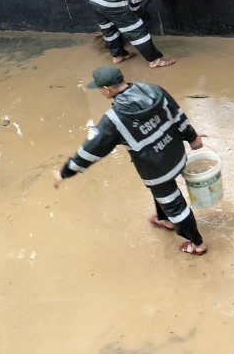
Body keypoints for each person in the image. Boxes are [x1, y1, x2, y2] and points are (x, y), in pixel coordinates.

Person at [52, 66, 208, 257]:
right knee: (163, 196)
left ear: (107, 90)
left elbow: (91, 149)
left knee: (174, 204)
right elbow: (177, 115)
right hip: (176, 153)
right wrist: (192, 137)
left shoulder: (114, 119)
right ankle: (165, 220)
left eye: (100, 89)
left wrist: (66, 171)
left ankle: (197, 244)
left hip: (156, 169)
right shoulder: (155, 90)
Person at [89, 0, 174, 69]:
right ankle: (155, 60)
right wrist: (137, 16)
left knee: (108, 29)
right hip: (112, 2)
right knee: (136, 30)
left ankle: (118, 55)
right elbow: (135, 4)